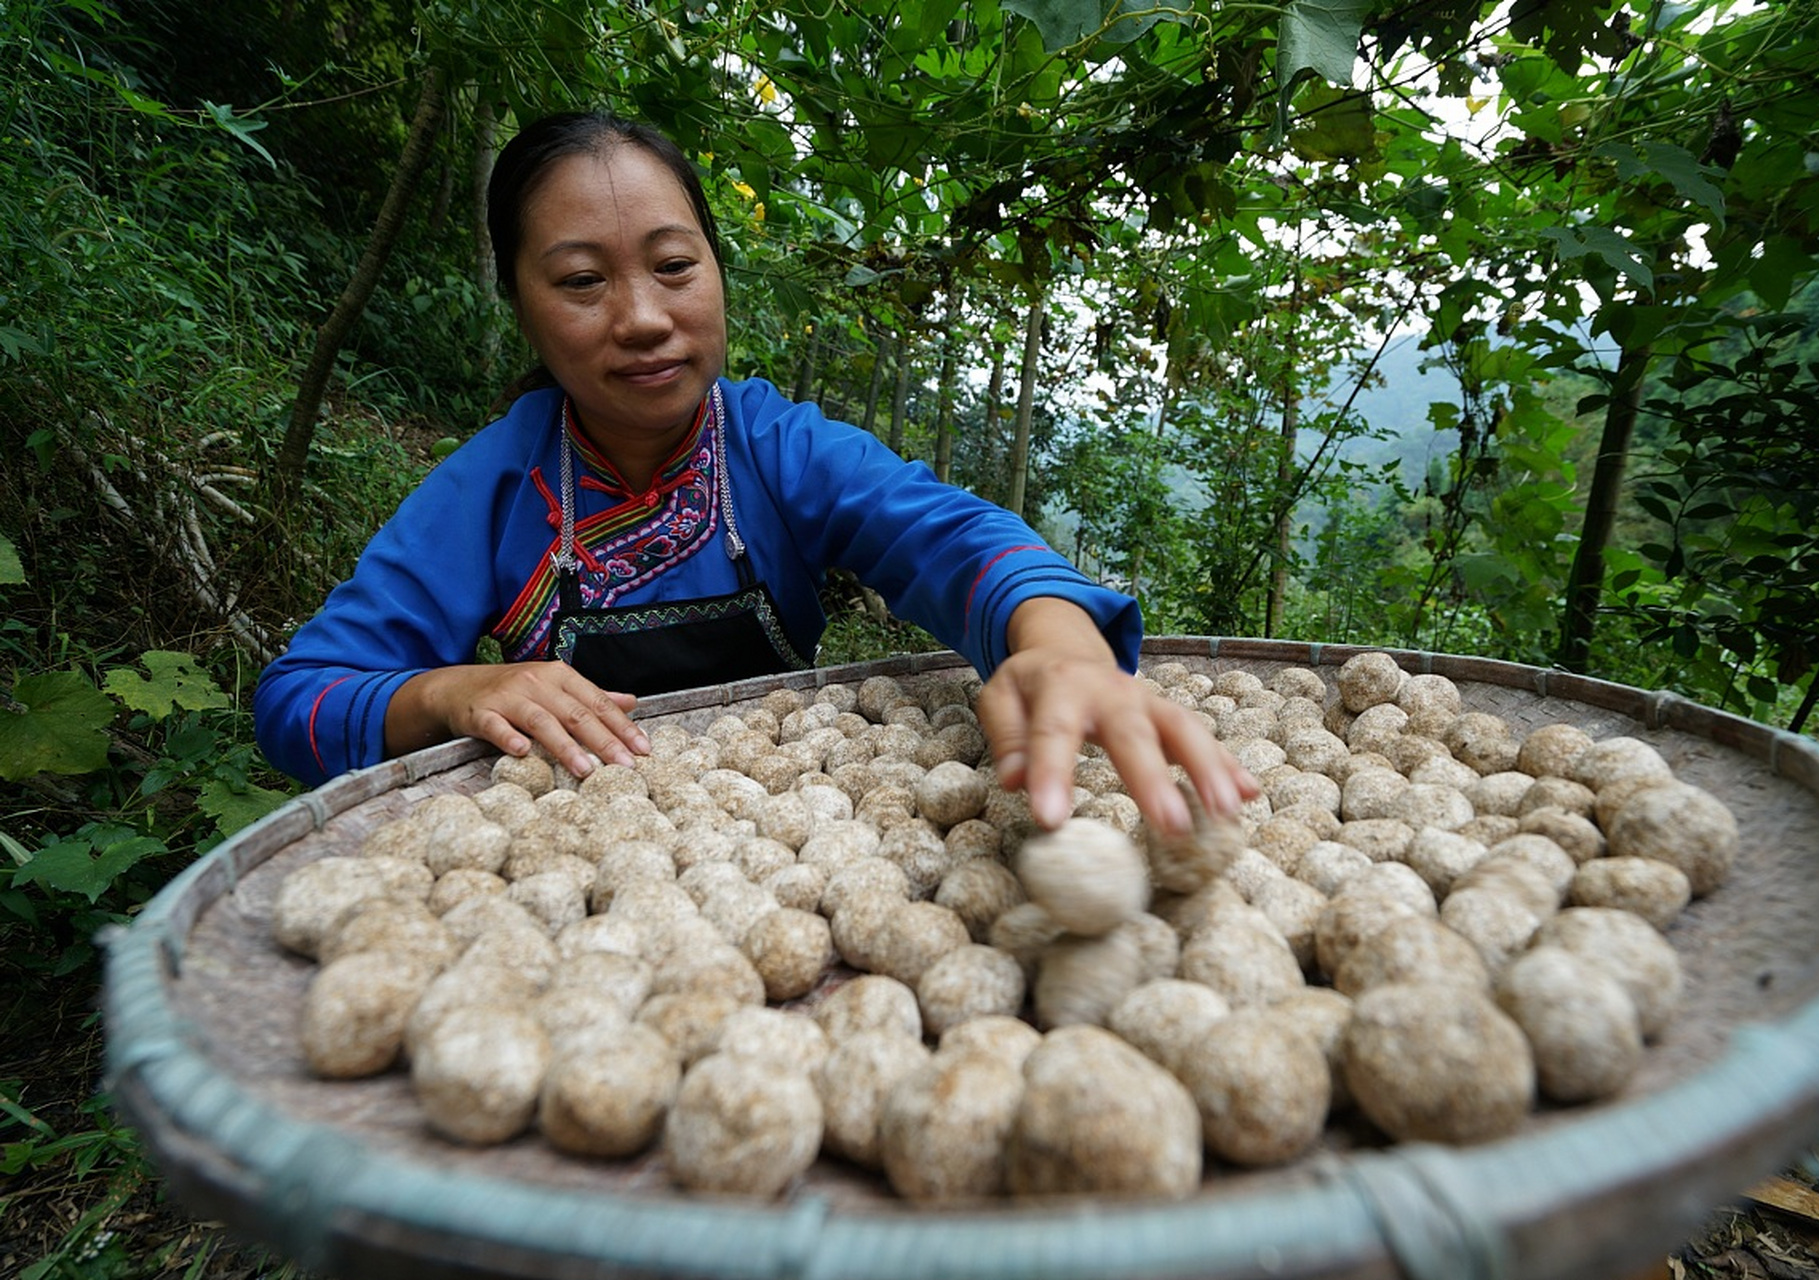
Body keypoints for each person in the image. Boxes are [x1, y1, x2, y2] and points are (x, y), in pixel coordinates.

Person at [253, 110, 1257, 834]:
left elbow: (946, 533)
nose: (643, 315)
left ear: (719, 272)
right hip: (593, 843)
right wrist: (449, 691)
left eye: (675, 266)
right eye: (581, 281)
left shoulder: (776, 450)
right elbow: (298, 698)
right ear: (519, 301)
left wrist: (1056, 643)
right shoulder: (493, 490)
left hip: (799, 821)